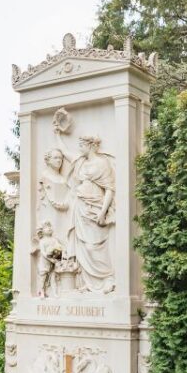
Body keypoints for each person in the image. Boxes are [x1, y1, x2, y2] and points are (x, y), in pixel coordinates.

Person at [53, 115, 116, 294]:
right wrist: (58, 134)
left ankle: (107, 279)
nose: (79, 147)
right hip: (80, 208)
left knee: (94, 245)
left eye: (81, 144)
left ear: (89, 145)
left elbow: (110, 189)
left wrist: (103, 213)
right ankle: (89, 283)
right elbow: (65, 152)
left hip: (95, 208)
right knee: (83, 246)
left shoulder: (102, 163)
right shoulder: (80, 161)